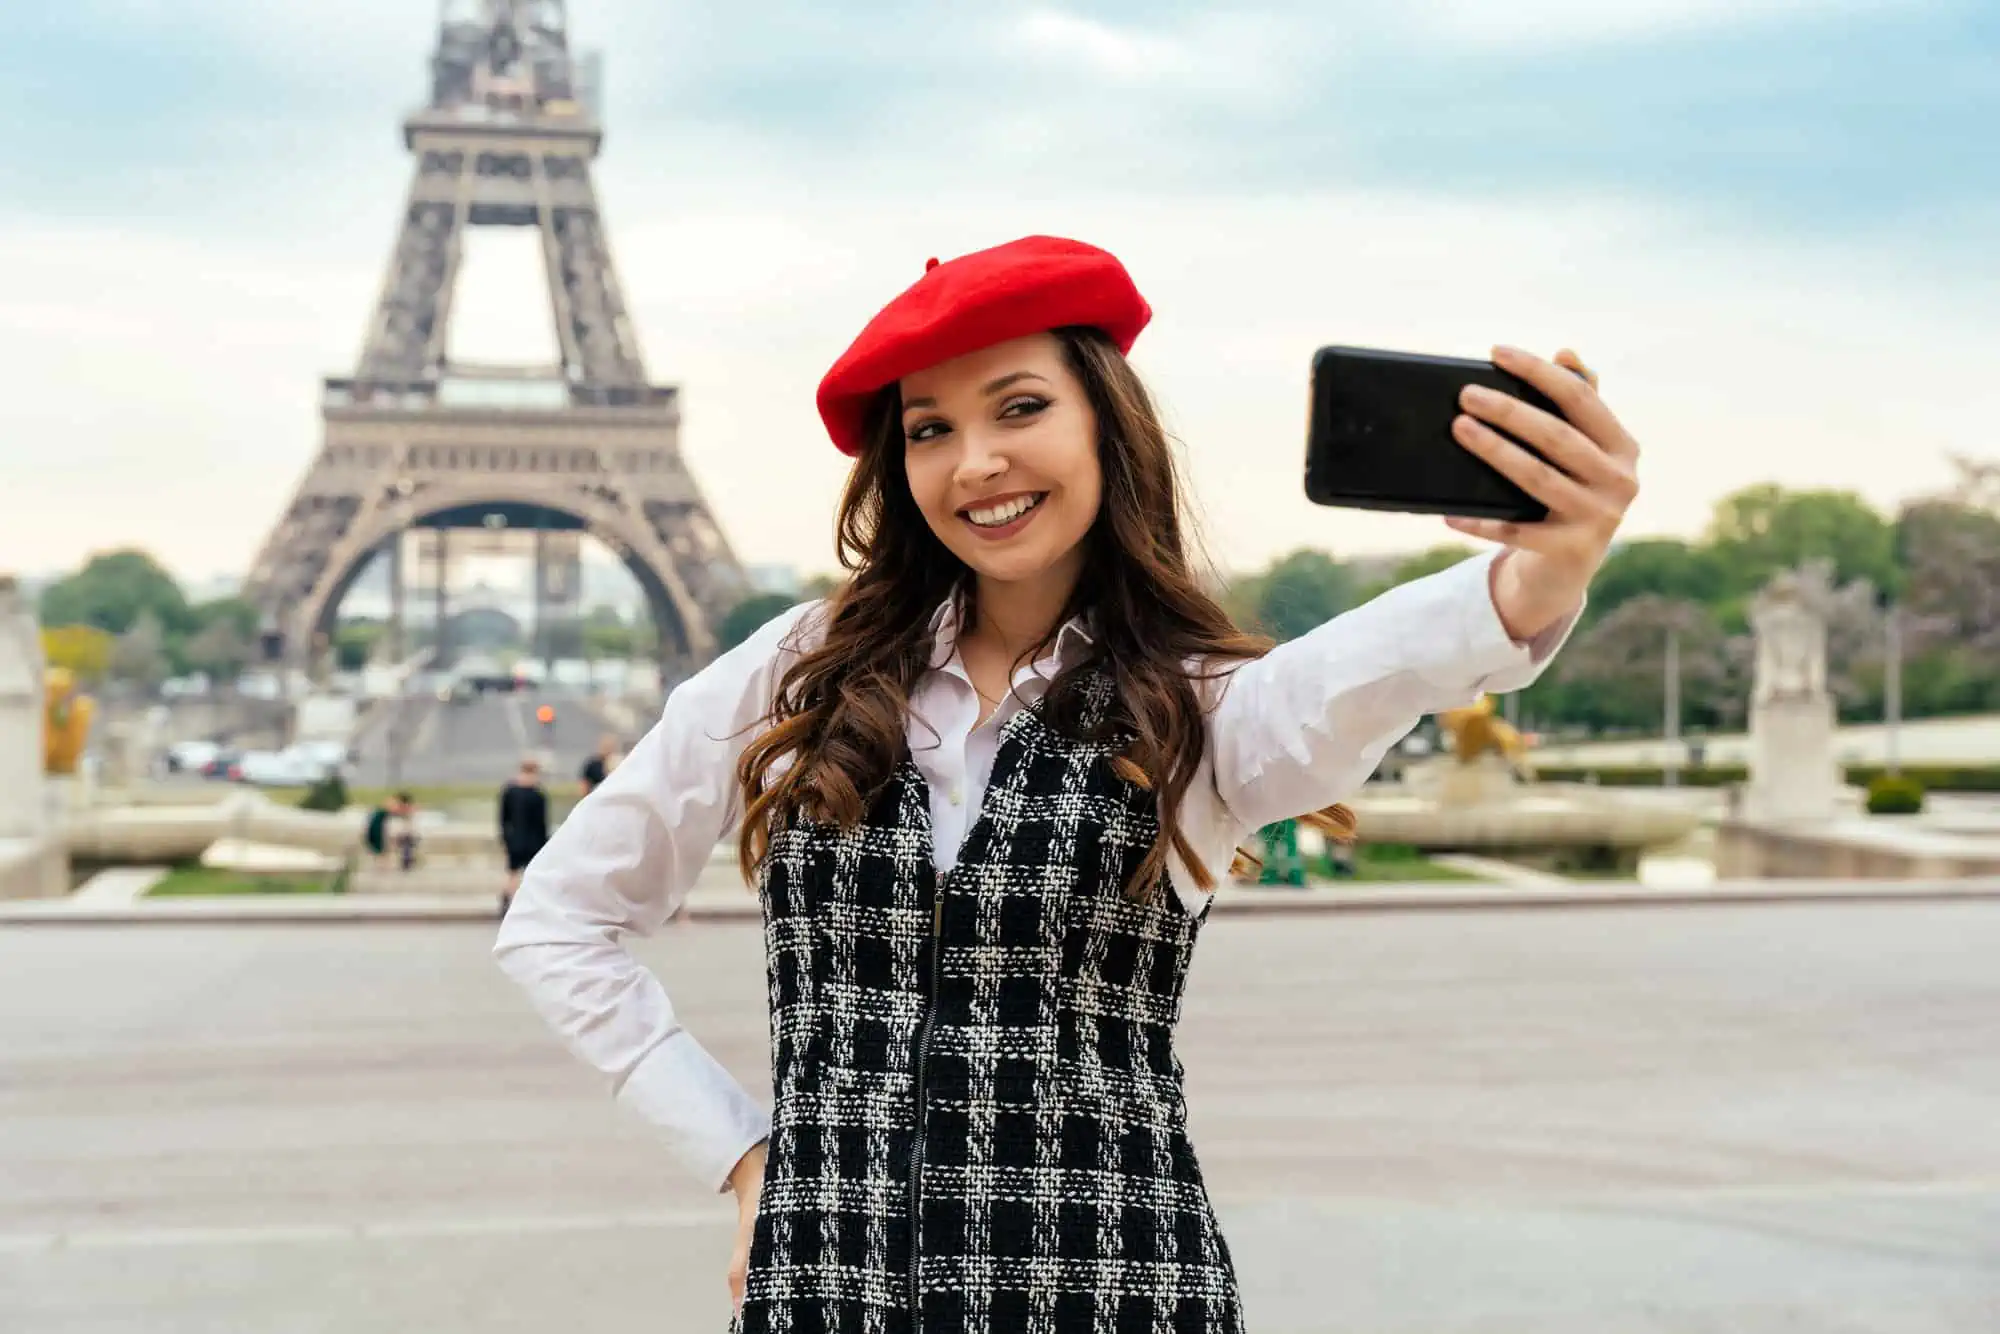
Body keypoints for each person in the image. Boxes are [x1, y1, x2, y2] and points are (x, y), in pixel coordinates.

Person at [494, 235, 1637, 1332]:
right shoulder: (799, 668)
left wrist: (1537, 572)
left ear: (1107, 422)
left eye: (1020, 405)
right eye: (929, 426)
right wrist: (741, 1152)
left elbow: (1355, 675)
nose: (976, 460)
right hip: (821, 1298)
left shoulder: (1195, 704)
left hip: (1115, 1292)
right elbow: (557, 921)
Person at [497, 758, 551, 916]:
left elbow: (503, 817)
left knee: (512, 872)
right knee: (531, 874)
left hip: (514, 838)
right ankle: (529, 903)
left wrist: (505, 836)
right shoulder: (538, 794)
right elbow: (542, 823)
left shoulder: (509, 791)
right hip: (533, 839)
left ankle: (506, 899)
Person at [577, 732, 621, 797]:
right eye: (606, 746)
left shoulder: (618, 764)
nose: (608, 749)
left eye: (610, 746)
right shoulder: (592, 764)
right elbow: (584, 784)